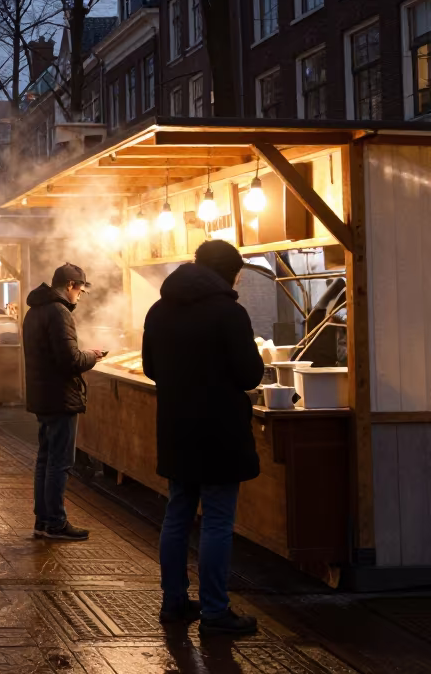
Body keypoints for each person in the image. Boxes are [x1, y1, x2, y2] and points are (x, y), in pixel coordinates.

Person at [143, 240, 265, 635]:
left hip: (177, 427)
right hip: (219, 432)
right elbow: (250, 376)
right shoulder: (229, 313)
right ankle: (214, 612)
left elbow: (150, 367)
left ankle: (173, 602)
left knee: (177, 515)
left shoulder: (159, 310)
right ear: (228, 272)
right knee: (216, 520)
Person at [23, 263, 103, 541]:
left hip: (42, 395)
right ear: (70, 285)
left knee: (45, 460)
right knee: (59, 462)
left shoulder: (35, 311)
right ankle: (55, 522)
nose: (80, 295)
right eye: (81, 289)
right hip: (59, 396)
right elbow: (69, 360)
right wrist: (92, 356)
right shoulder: (59, 312)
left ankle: (43, 521)